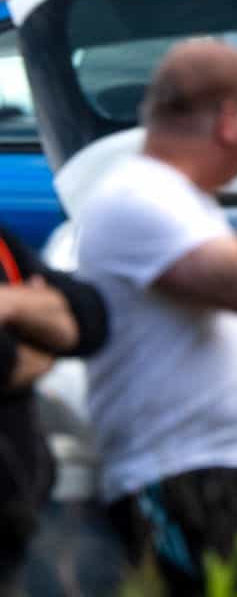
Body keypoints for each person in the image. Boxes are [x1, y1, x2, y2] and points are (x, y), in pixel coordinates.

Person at [75, 40, 237, 597]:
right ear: (227, 119)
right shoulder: (138, 197)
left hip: (235, 477)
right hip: (195, 483)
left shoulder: (178, 199)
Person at [0, 224, 107, 588]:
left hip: (16, 522)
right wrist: (41, 330)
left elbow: (90, 318)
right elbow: (4, 361)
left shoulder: (3, 241)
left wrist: (11, 303)